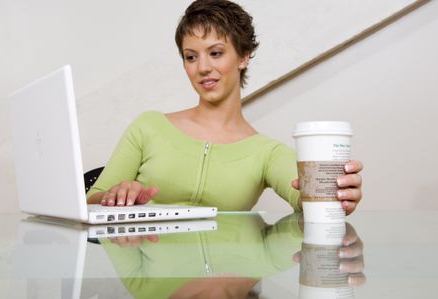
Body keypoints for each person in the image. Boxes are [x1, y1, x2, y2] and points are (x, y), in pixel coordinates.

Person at [87, 0, 363, 214]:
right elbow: (90, 202)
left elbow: (304, 195)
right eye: (191, 57)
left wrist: (337, 195)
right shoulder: (148, 127)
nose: (203, 68)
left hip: (224, 283)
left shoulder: (266, 153)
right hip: (154, 284)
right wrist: (117, 194)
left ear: (243, 56)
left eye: (216, 53)